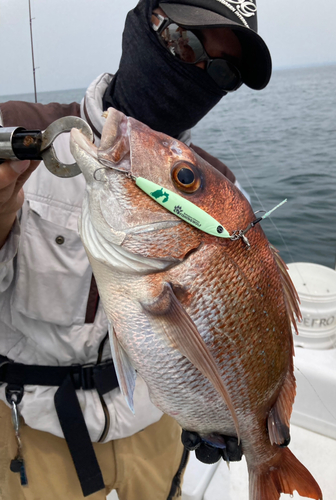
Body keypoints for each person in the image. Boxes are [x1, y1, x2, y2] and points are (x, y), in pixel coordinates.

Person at [0, 0, 271, 499]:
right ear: (143, 27)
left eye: (224, 71)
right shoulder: (18, 135)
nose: (200, 74)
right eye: (187, 44)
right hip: (35, 428)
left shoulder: (219, 194)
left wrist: (229, 414)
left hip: (157, 425)